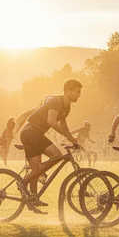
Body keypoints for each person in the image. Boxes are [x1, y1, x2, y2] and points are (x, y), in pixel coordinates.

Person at [18, 79, 83, 210]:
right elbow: (51, 121)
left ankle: (33, 199)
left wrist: (73, 140)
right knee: (57, 155)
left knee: (36, 170)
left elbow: (63, 126)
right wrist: (65, 136)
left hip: (32, 133)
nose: (79, 94)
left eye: (80, 92)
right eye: (77, 91)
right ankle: (23, 182)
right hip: (31, 131)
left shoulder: (67, 107)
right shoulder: (56, 101)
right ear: (68, 91)